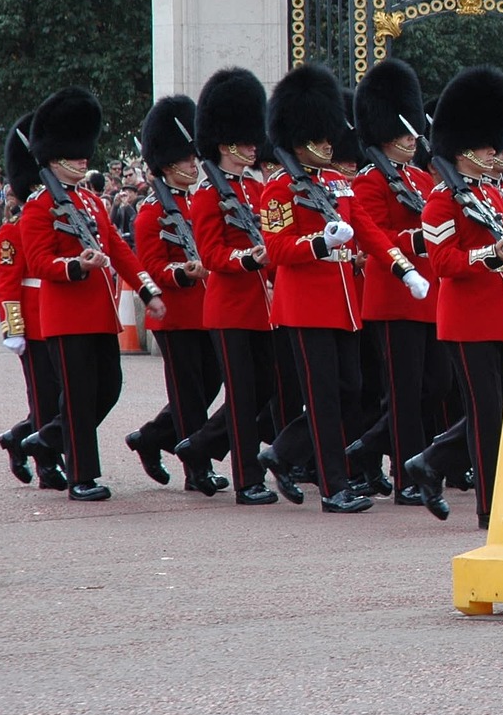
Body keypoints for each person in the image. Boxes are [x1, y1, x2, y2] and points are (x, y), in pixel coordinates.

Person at [400, 70, 503, 524]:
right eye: (489, 146)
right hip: (467, 322)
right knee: (488, 416)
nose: (497, 151)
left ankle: (430, 463)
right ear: (466, 149)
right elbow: (443, 262)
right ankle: (491, 507)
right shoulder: (441, 202)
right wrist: (488, 255)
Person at [262, 64, 412, 513]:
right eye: (320, 137)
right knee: (324, 398)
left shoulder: (335, 185)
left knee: (349, 391)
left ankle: (283, 452)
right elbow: (275, 248)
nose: (330, 144)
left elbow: (367, 229)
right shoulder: (279, 190)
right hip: (305, 306)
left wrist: (403, 266)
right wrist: (319, 243)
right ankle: (333, 487)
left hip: (345, 305)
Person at [20, 87, 167, 501]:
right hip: (66, 316)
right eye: (75, 153)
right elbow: (37, 262)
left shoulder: (92, 202)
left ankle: (47, 439)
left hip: (100, 315)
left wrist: (147, 288)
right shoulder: (39, 206)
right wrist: (76, 266)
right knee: (81, 397)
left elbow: (119, 250)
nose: (84, 159)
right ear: (54, 156)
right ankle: (81, 477)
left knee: (108, 389)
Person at [346, 58, 446, 503]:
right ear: (385, 133)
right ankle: (407, 477)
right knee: (403, 394)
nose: (413, 139)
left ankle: (366, 447)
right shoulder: (369, 181)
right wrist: (417, 242)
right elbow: (374, 238)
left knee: (435, 387)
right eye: (405, 133)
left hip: (427, 296)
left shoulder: (422, 179)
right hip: (393, 296)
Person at [186, 68, 285, 506]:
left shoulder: (259, 188)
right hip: (228, 307)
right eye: (246, 143)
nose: (254, 147)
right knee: (242, 395)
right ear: (226, 145)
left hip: (261, 306)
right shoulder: (208, 194)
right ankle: (247, 480)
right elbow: (210, 254)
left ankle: (201, 444)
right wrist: (249, 259)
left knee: (264, 388)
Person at [123, 94, 229, 496]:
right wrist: (182, 273)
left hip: (206, 311)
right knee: (188, 396)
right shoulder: (151, 212)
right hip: (176, 314)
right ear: (167, 164)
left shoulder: (198, 202)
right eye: (186, 160)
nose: (193, 165)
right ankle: (196, 470)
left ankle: (151, 438)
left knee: (210, 386)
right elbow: (150, 267)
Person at [0, 114, 67, 491]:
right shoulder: (12, 231)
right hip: (34, 326)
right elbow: (6, 285)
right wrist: (14, 329)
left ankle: (18, 438)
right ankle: (48, 467)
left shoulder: (60, 220)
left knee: (61, 397)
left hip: (62, 318)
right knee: (44, 398)